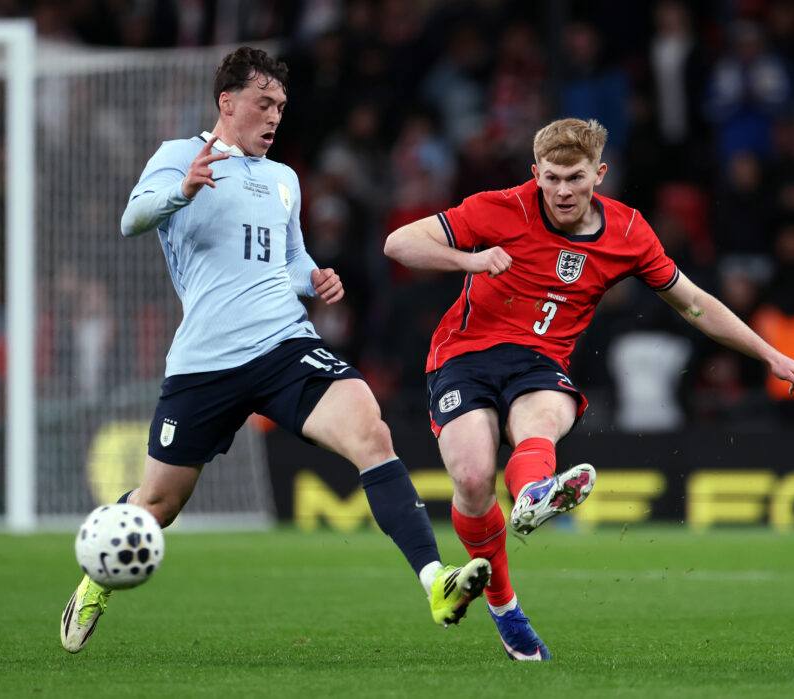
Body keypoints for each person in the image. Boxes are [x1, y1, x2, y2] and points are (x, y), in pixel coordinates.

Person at [60, 47, 490, 654]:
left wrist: (315, 279)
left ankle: (436, 581)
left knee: (370, 428)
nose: (274, 117)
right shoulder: (180, 156)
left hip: (283, 343)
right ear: (227, 103)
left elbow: (286, 260)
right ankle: (96, 578)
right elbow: (133, 218)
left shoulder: (284, 179)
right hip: (206, 361)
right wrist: (181, 190)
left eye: (281, 107)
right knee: (159, 503)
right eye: (263, 104)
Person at [383, 117, 794, 661]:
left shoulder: (629, 232)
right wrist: (470, 259)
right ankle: (504, 608)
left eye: (576, 178)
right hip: (464, 357)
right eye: (552, 179)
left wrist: (770, 353)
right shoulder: (500, 208)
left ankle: (534, 494)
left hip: (540, 363)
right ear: (535, 173)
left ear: (599, 174)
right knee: (471, 480)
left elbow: (694, 303)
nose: (563, 191)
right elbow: (399, 244)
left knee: (539, 422)